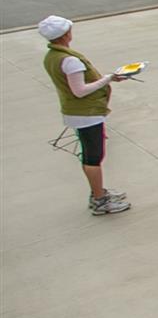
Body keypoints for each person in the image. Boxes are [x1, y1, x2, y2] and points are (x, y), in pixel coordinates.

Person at [39, 16, 133, 216]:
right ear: (65, 34)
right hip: (86, 113)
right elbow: (79, 91)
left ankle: (98, 192)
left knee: (91, 155)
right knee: (93, 158)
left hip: (77, 112)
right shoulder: (70, 60)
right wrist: (108, 78)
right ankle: (99, 201)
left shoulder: (51, 56)